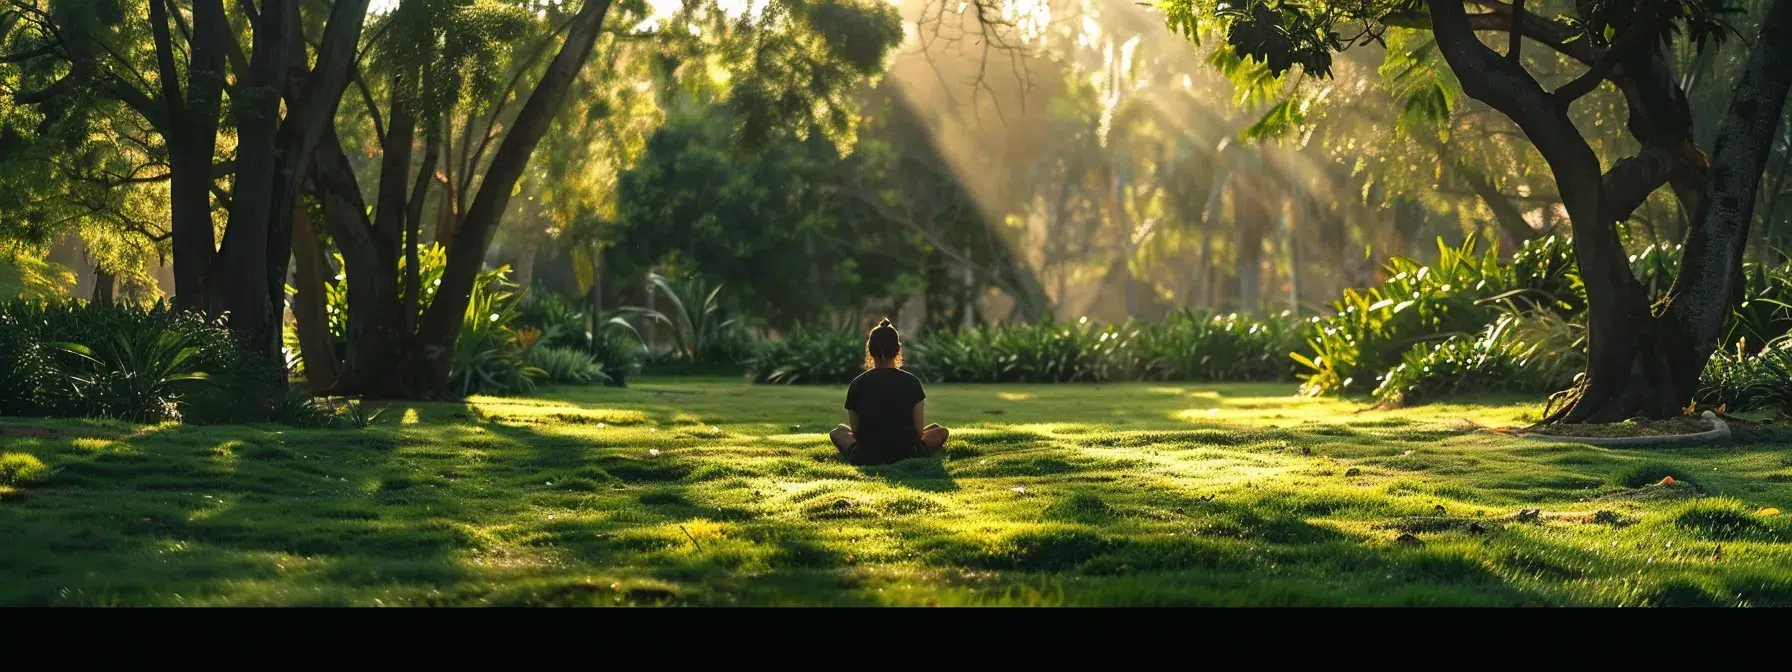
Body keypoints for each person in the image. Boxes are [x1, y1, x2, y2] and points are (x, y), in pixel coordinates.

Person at [830, 319, 949, 465]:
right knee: (941, 431)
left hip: (866, 455)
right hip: (907, 453)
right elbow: (918, 433)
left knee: (838, 432)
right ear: (898, 350)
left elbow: (856, 433)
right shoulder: (912, 382)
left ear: (870, 350)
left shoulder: (857, 384)